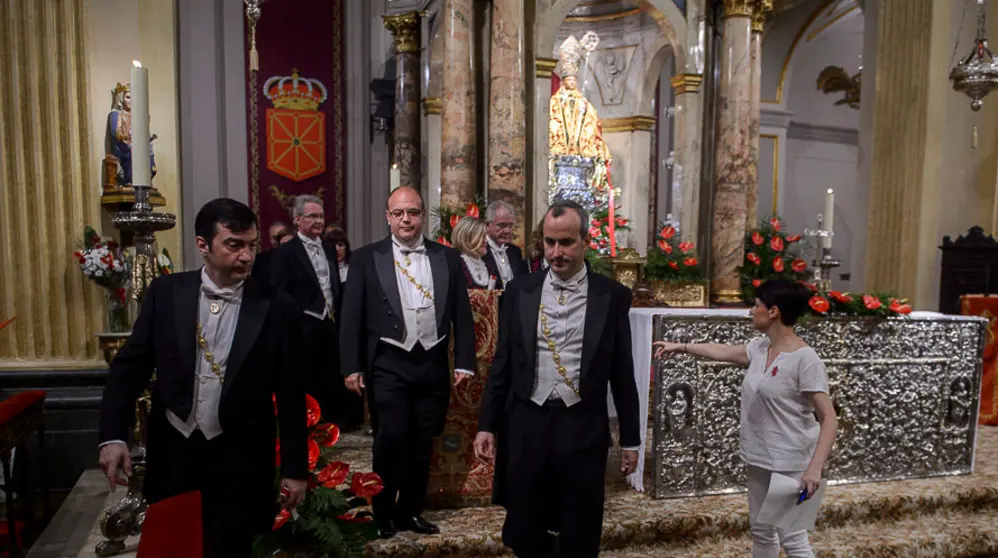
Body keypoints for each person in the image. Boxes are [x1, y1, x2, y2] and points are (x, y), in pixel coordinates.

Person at [97, 198, 307, 557]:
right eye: (234, 245)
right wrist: (113, 436)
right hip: (175, 453)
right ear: (202, 245)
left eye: (252, 245)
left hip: (240, 459)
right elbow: (129, 368)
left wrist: (295, 469)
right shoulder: (166, 293)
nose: (246, 256)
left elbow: (291, 394)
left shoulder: (277, 306)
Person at [473, 200, 640, 558]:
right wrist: (487, 425)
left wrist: (631, 439)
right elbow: (502, 363)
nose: (555, 252)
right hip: (527, 422)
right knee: (523, 530)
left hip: (582, 425)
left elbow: (622, 372)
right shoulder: (520, 290)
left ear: (584, 241)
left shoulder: (611, 296)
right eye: (549, 242)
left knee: (580, 532)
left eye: (566, 243)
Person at [653, 279, 838, 558]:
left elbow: (829, 418)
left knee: (793, 541)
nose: (750, 311)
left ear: (773, 311)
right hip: (759, 457)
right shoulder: (761, 348)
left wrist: (814, 469)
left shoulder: (806, 360)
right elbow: (724, 351)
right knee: (762, 533)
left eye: (756, 305)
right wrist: (680, 346)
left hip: (791, 463)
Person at [340, 186, 476, 538]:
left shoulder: (447, 257)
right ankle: (383, 513)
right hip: (389, 361)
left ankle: (410, 512)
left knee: (422, 442)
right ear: (388, 217)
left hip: (432, 361)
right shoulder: (366, 258)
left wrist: (464, 361)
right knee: (391, 439)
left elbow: (462, 314)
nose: (406, 219)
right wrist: (351, 366)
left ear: (422, 215)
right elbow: (351, 316)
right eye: (399, 213)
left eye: (413, 212)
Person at [272, 195, 362, 430]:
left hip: (331, 326)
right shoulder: (286, 253)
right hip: (302, 328)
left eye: (321, 216)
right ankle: (310, 427)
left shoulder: (330, 249)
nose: (318, 221)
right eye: (312, 216)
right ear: (297, 220)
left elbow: (333, 287)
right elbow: (280, 294)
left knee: (331, 378)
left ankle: (334, 426)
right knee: (307, 381)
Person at [482, 201, 527, 288]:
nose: (507, 231)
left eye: (510, 226)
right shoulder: (479, 251)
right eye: (501, 225)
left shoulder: (515, 251)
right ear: (487, 225)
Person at [452, 217, 500, 290]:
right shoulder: (455, 266)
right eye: (481, 236)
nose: (486, 240)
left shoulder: (490, 265)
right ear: (467, 238)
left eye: (486, 236)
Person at [251, 221, 292, 288]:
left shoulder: (302, 256)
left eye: (282, 236)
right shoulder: (260, 260)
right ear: (270, 239)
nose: (278, 241)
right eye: (275, 238)